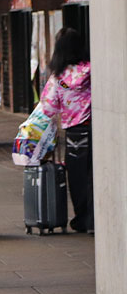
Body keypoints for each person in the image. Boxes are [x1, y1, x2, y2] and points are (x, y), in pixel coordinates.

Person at [38, 27, 92, 233]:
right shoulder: (92, 69)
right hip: (95, 129)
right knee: (94, 174)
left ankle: (83, 220)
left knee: (77, 178)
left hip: (75, 133)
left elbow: (48, 108)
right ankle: (97, 218)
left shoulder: (58, 78)